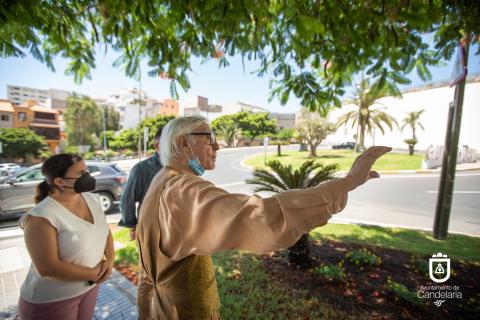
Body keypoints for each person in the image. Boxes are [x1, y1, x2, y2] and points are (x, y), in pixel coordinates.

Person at [136, 116, 391, 319]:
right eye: (209, 137)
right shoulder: (183, 190)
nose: (217, 145)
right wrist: (346, 183)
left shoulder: (163, 179)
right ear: (183, 143)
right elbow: (263, 218)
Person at [17, 154, 114, 320]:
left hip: (89, 288)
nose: (88, 176)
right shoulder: (40, 217)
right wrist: (94, 274)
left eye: (87, 170)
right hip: (52, 299)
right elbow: (48, 267)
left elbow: (105, 231)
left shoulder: (93, 199)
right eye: (81, 173)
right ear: (59, 181)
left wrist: (110, 260)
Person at [119, 127, 163, 240]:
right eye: (170, 142)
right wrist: (132, 226)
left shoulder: (185, 166)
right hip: (152, 233)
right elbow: (127, 201)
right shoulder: (141, 169)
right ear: (157, 146)